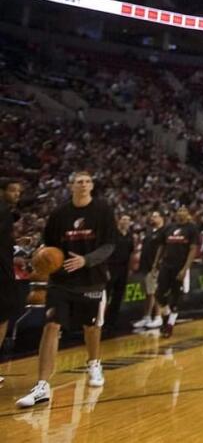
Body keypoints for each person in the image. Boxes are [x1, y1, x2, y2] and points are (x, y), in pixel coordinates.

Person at [17, 171, 118, 408]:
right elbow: (48, 246)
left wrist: (87, 260)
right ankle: (42, 385)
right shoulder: (59, 214)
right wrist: (40, 259)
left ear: (92, 186)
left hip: (91, 279)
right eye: (78, 181)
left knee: (91, 327)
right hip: (61, 280)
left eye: (87, 181)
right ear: (71, 186)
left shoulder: (103, 210)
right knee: (51, 326)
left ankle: (94, 363)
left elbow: (110, 245)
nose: (83, 185)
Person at [151, 207, 199, 338]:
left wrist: (185, 269)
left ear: (188, 214)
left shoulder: (192, 228)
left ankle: (170, 325)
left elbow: (193, 249)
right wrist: (156, 262)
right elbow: (161, 246)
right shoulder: (169, 227)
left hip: (181, 266)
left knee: (176, 295)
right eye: (179, 210)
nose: (181, 212)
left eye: (184, 210)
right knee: (159, 293)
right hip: (166, 264)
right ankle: (166, 316)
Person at [0, 178, 22, 388]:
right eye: (13, 190)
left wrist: (15, 246)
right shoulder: (4, 211)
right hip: (2, 274)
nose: (17, 194)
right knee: (3, 316)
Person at [133, 210, 165, 329]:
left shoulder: (164, 232)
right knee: (148, 293)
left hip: (157, 267)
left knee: (156, 292)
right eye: (151, 216)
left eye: (155, 216)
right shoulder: (149, 231)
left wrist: (158, 264)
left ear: (162, 218)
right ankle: (146, 317)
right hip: (147, 267)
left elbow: (164, 250)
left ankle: (158, 317)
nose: (152, 218)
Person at [104, 213, 134, 332]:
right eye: (124, 219)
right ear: (119, 221)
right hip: (111, 268)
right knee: (105, 296)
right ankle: (101, 320)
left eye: (128, 220)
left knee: (118, 296)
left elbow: (131, 253)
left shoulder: (130, 236)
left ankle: (112, 321)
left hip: (123, 269)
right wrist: (105, 269)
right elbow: (105, 253)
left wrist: (130, 268)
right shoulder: (112, 234)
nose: (126, 222)